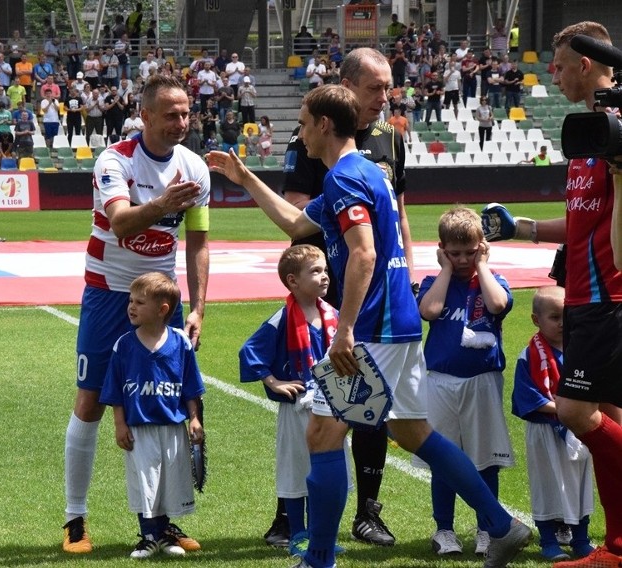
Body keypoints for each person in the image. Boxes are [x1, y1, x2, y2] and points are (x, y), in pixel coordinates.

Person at [208, 83, 532, 568]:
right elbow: (299, 226)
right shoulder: (359, 172)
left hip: (374, 328)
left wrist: (345, 329)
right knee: (413, 432)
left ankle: (317, 559)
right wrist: (244, 177)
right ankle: (504, 527)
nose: (299, 132)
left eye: (302, 121)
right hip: (395, 322)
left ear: (322, 124)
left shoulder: (344, 178)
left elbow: (363, 253)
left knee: (322, 433)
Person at [482, 21, 622, 568]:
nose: (554, 75)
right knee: (607, 412)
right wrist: (518, 228)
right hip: (589, 297)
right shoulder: (589, 137)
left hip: (606, 299)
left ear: (585, 65)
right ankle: (615, 547)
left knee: (574, 410)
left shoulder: (614, 137)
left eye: (559, 66)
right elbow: (580, 222)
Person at [273, 48, 416, 552]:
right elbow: (298, 218)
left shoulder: (391, 139)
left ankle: (360, 517)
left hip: (374, 304)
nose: (385, 97)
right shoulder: (314, 139)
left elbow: (396, 216)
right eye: (375, 88)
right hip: (329, 292)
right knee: (317, 413)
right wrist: (319, 284)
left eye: (388, 87)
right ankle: (293, 515)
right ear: (346, 89)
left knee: (343, 419)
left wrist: (408, 273)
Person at [62, 74, 210, 554]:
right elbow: (122, 223)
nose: (181, 122)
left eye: (186, 113)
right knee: (90, 403)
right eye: (171, 114)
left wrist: (199, 308)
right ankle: (75, 520)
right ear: (144, 115)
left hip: (164, 298)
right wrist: (163, 203)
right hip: (108, 293)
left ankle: (163, 523)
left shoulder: (195, 168)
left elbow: (198, 242)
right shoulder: (115, 160)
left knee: (168, 404)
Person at [415, 207, 515, 557]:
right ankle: (444, 529)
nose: (462, 260)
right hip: (441, 380)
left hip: (483, 380)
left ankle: (488, 527)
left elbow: (498, 304)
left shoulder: (491, 278)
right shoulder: (434, 282)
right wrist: (444, 269)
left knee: (485, 458)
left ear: (482, 246)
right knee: (444, 458)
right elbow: (429, 311)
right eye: (454, 253)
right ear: (442, 249)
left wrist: (482, 266)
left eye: (469, 252)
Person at [240, 244, 349, 558]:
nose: (324, 276)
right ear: (292, 281)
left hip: (330, 409)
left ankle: (319, 533)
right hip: (297, 409)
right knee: (294, 470)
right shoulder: (282, 318)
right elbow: (250, 351)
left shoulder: (333, 314)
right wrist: (274, 381)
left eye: (325, 270)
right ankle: (298, 532)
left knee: (326, 469)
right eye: (315, 271)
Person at [99, 272, 205, 558]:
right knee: (145, 482)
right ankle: (147, 536)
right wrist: (119, 425)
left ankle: (164, 534)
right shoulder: (124, 345)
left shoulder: (181, 344)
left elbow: (191, 387)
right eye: (131, 301)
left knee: (169, 482)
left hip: (172, 426)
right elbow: (115, 391)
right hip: (140, 427)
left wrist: (194, 418)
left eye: (140, 302)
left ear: (162, 310)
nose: (131, 307)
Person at [511, 286, 595, 562]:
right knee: (547, 484)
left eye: (566, 316)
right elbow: (528, 399)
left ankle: (581, 540)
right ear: (537, 320)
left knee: (581, 483)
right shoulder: (530, 355)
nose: (562, 323)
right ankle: (549, 541)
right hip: (545, 430)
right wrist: (566, 409)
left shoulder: (581, 350)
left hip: (579, 428)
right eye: (554, 317)